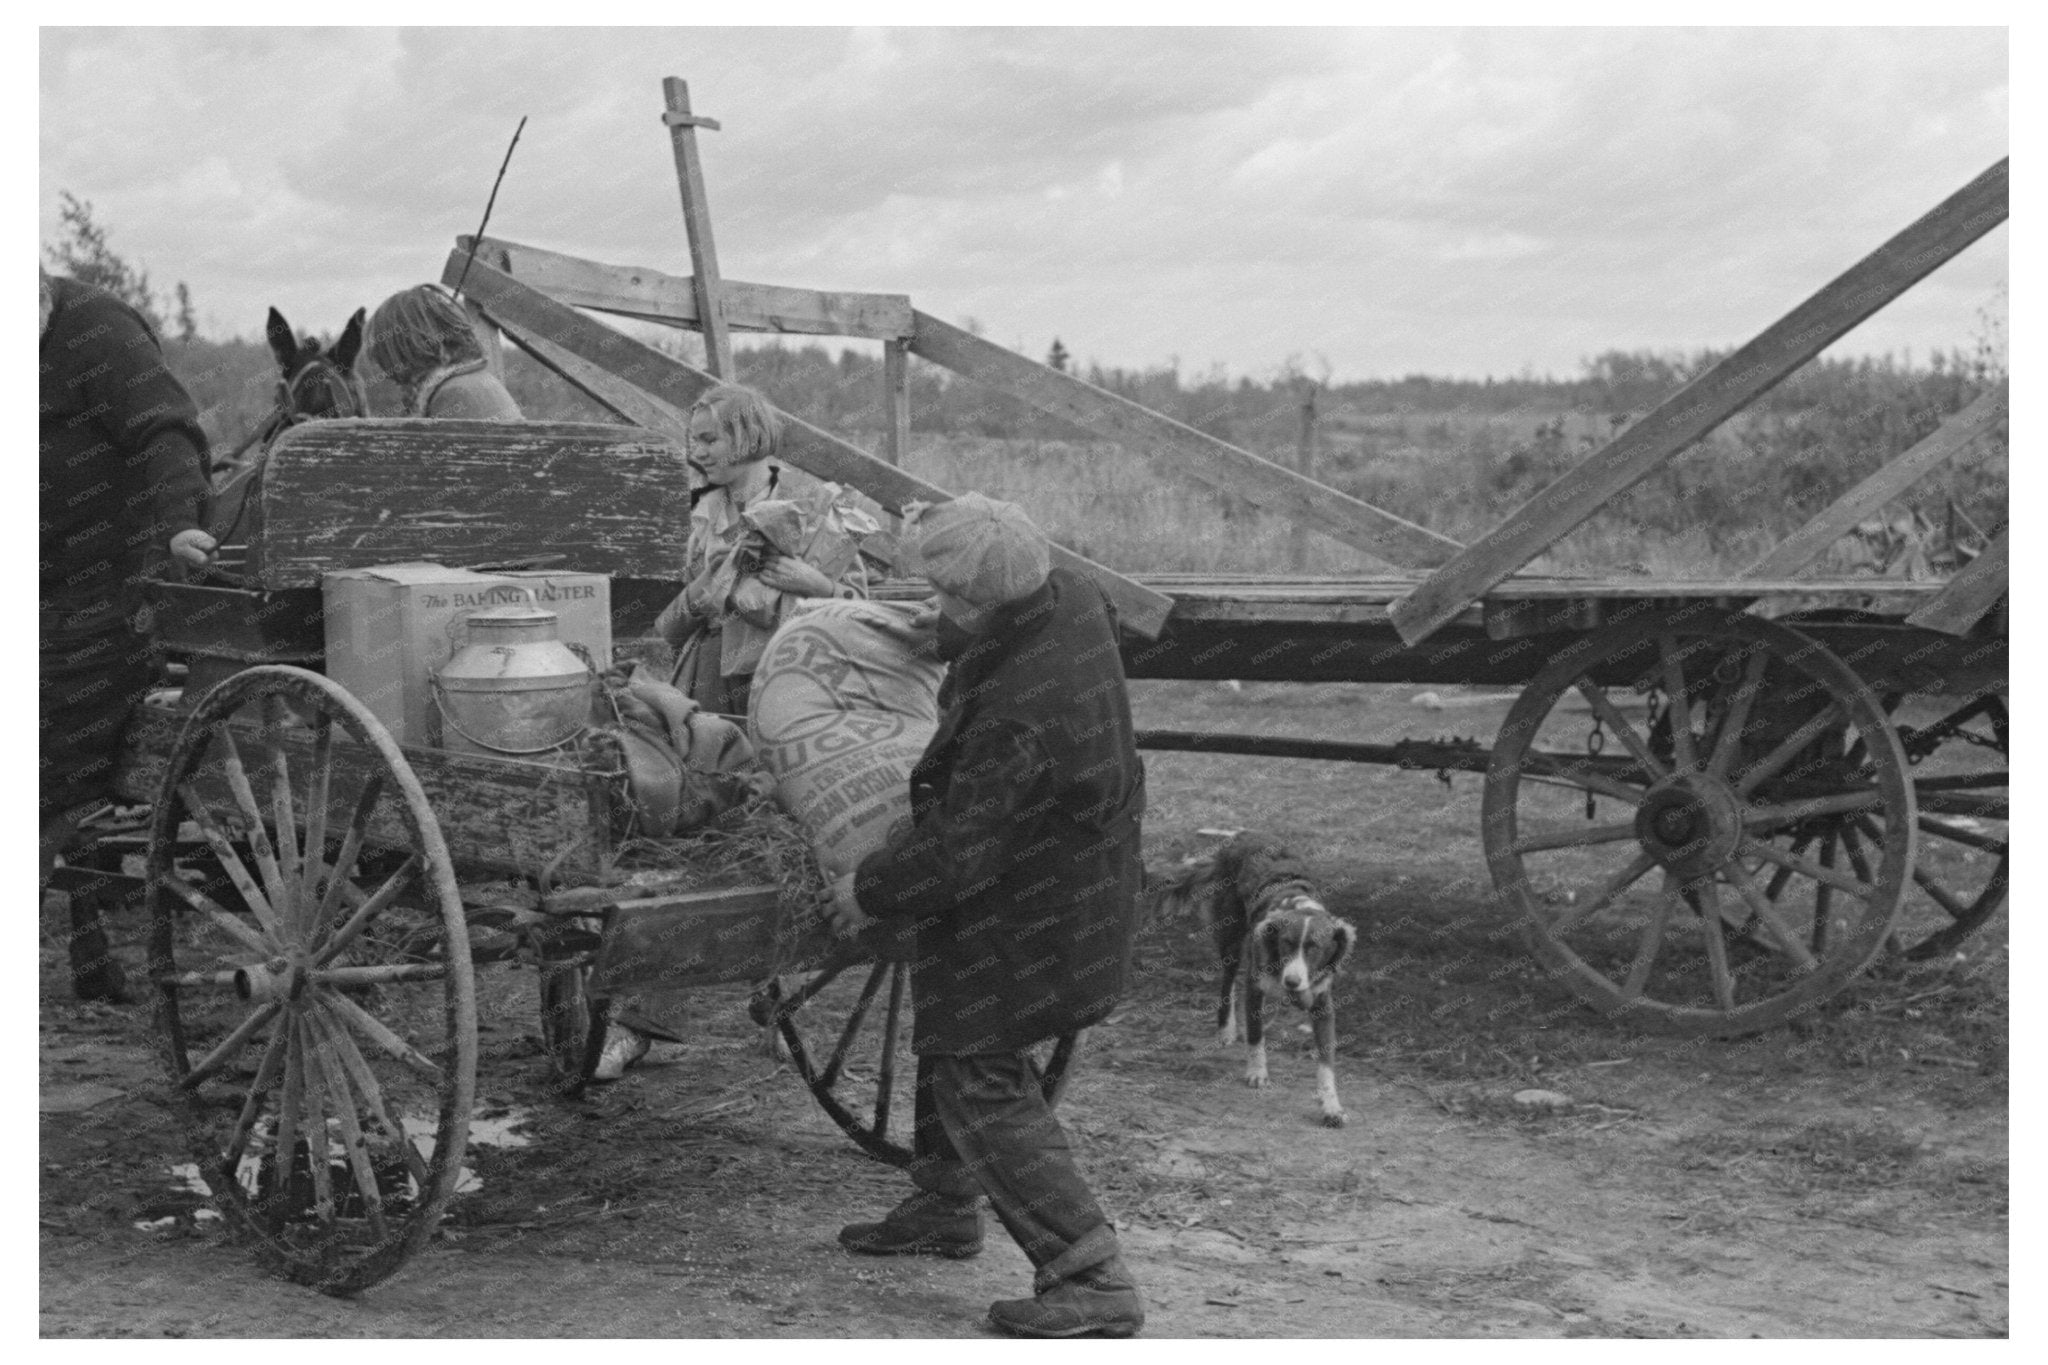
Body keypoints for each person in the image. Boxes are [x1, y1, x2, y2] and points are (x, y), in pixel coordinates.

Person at [826, 494, 1148, 1339]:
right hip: (1073, 867)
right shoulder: (1071, 596)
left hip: (1041, 904)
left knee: (978, 1064)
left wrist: (868, 886)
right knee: (951, 1024)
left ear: (977, 602)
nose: (933, 606)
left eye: (939, 594)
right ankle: (944, 1203)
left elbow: (956, 852)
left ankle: (1092, 1273)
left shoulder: (1018, 718)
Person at [40, 265, 217, 1000]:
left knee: (48, 765)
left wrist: (179, 523)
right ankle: (86, 949)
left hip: (104, 599)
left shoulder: (102, 333)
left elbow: (165, 434)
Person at [651, 383, 861, 717]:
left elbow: (862, 609)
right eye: (695, 441)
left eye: (710, 440)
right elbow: (669, 631)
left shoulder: (813, 510)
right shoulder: (701, 517)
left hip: (789, 679)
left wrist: (815, 584)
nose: (698, 453)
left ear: (749, 437)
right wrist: (705, 583)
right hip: (707, 683)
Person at [365, 284, 522, 419]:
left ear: (405, 349)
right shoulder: (473, 380)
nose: (386, 370)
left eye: (386, 354)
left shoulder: (454, 394)